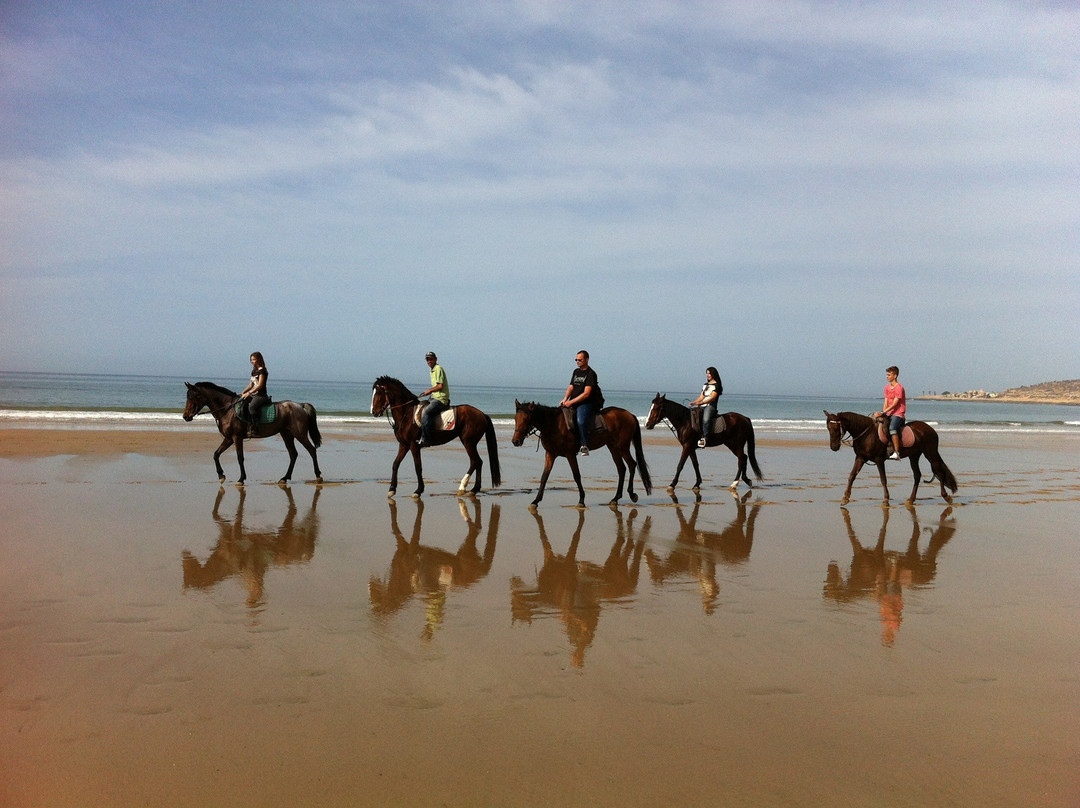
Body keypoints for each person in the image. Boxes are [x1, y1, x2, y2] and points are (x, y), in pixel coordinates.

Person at [559, 350, 603, 456]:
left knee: (581, 421)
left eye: (580, 360)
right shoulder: (576, 372)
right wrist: (565, 399)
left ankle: (585, 445)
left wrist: (571, 402)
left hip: (587, 403)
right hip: (574, 401)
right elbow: (571, 387)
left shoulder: (591, 374)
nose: (577, 362)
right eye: (576, 360)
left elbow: (586, 393)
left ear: (587, 359)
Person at [418, 351, 450, 448]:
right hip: (435, 398)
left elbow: (440, 385)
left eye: (431, 359)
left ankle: (427, 439)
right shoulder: (432, 370)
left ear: (435, 359)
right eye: (427, 359)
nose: (429, 361)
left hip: (441, 399)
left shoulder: (438, 369)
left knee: (426, 412)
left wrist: (429, 391)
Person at [875, 365, 906, 460]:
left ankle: (897, 452)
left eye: (889, 375)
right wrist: (883, 413)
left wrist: (883, 411)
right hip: (888, 413)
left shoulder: (899, 388)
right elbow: (886, 401)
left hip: (898, 414)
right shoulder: (887, 388)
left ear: (895, 376)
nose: (887, 377)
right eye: (887, 375)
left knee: (892, 428)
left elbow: (896, 403)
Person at [689, 366, 722, 448]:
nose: (707, 375)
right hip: (702, 405)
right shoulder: (705, 385)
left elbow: (712, 398)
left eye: (709, 373)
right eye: (707, 373)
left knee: (706, 419)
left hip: (710, 406)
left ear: (713, 374)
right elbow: (701, 396)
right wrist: (695, 402)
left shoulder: (716, 385)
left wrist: (701, 402)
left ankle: (705, 438)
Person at [239, 351, 270, 437]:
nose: (252, 361)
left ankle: (256, 428)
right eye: (251, 359)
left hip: (261, 395)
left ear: (259, 359)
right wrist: (243, 392)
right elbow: (251, 385)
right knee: (242, 404)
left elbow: (260, 385)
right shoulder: (254, 371)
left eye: (254, 359)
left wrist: (248, 393)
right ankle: (246, 425)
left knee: (251, 407)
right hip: (254, 394)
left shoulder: (262, 371)